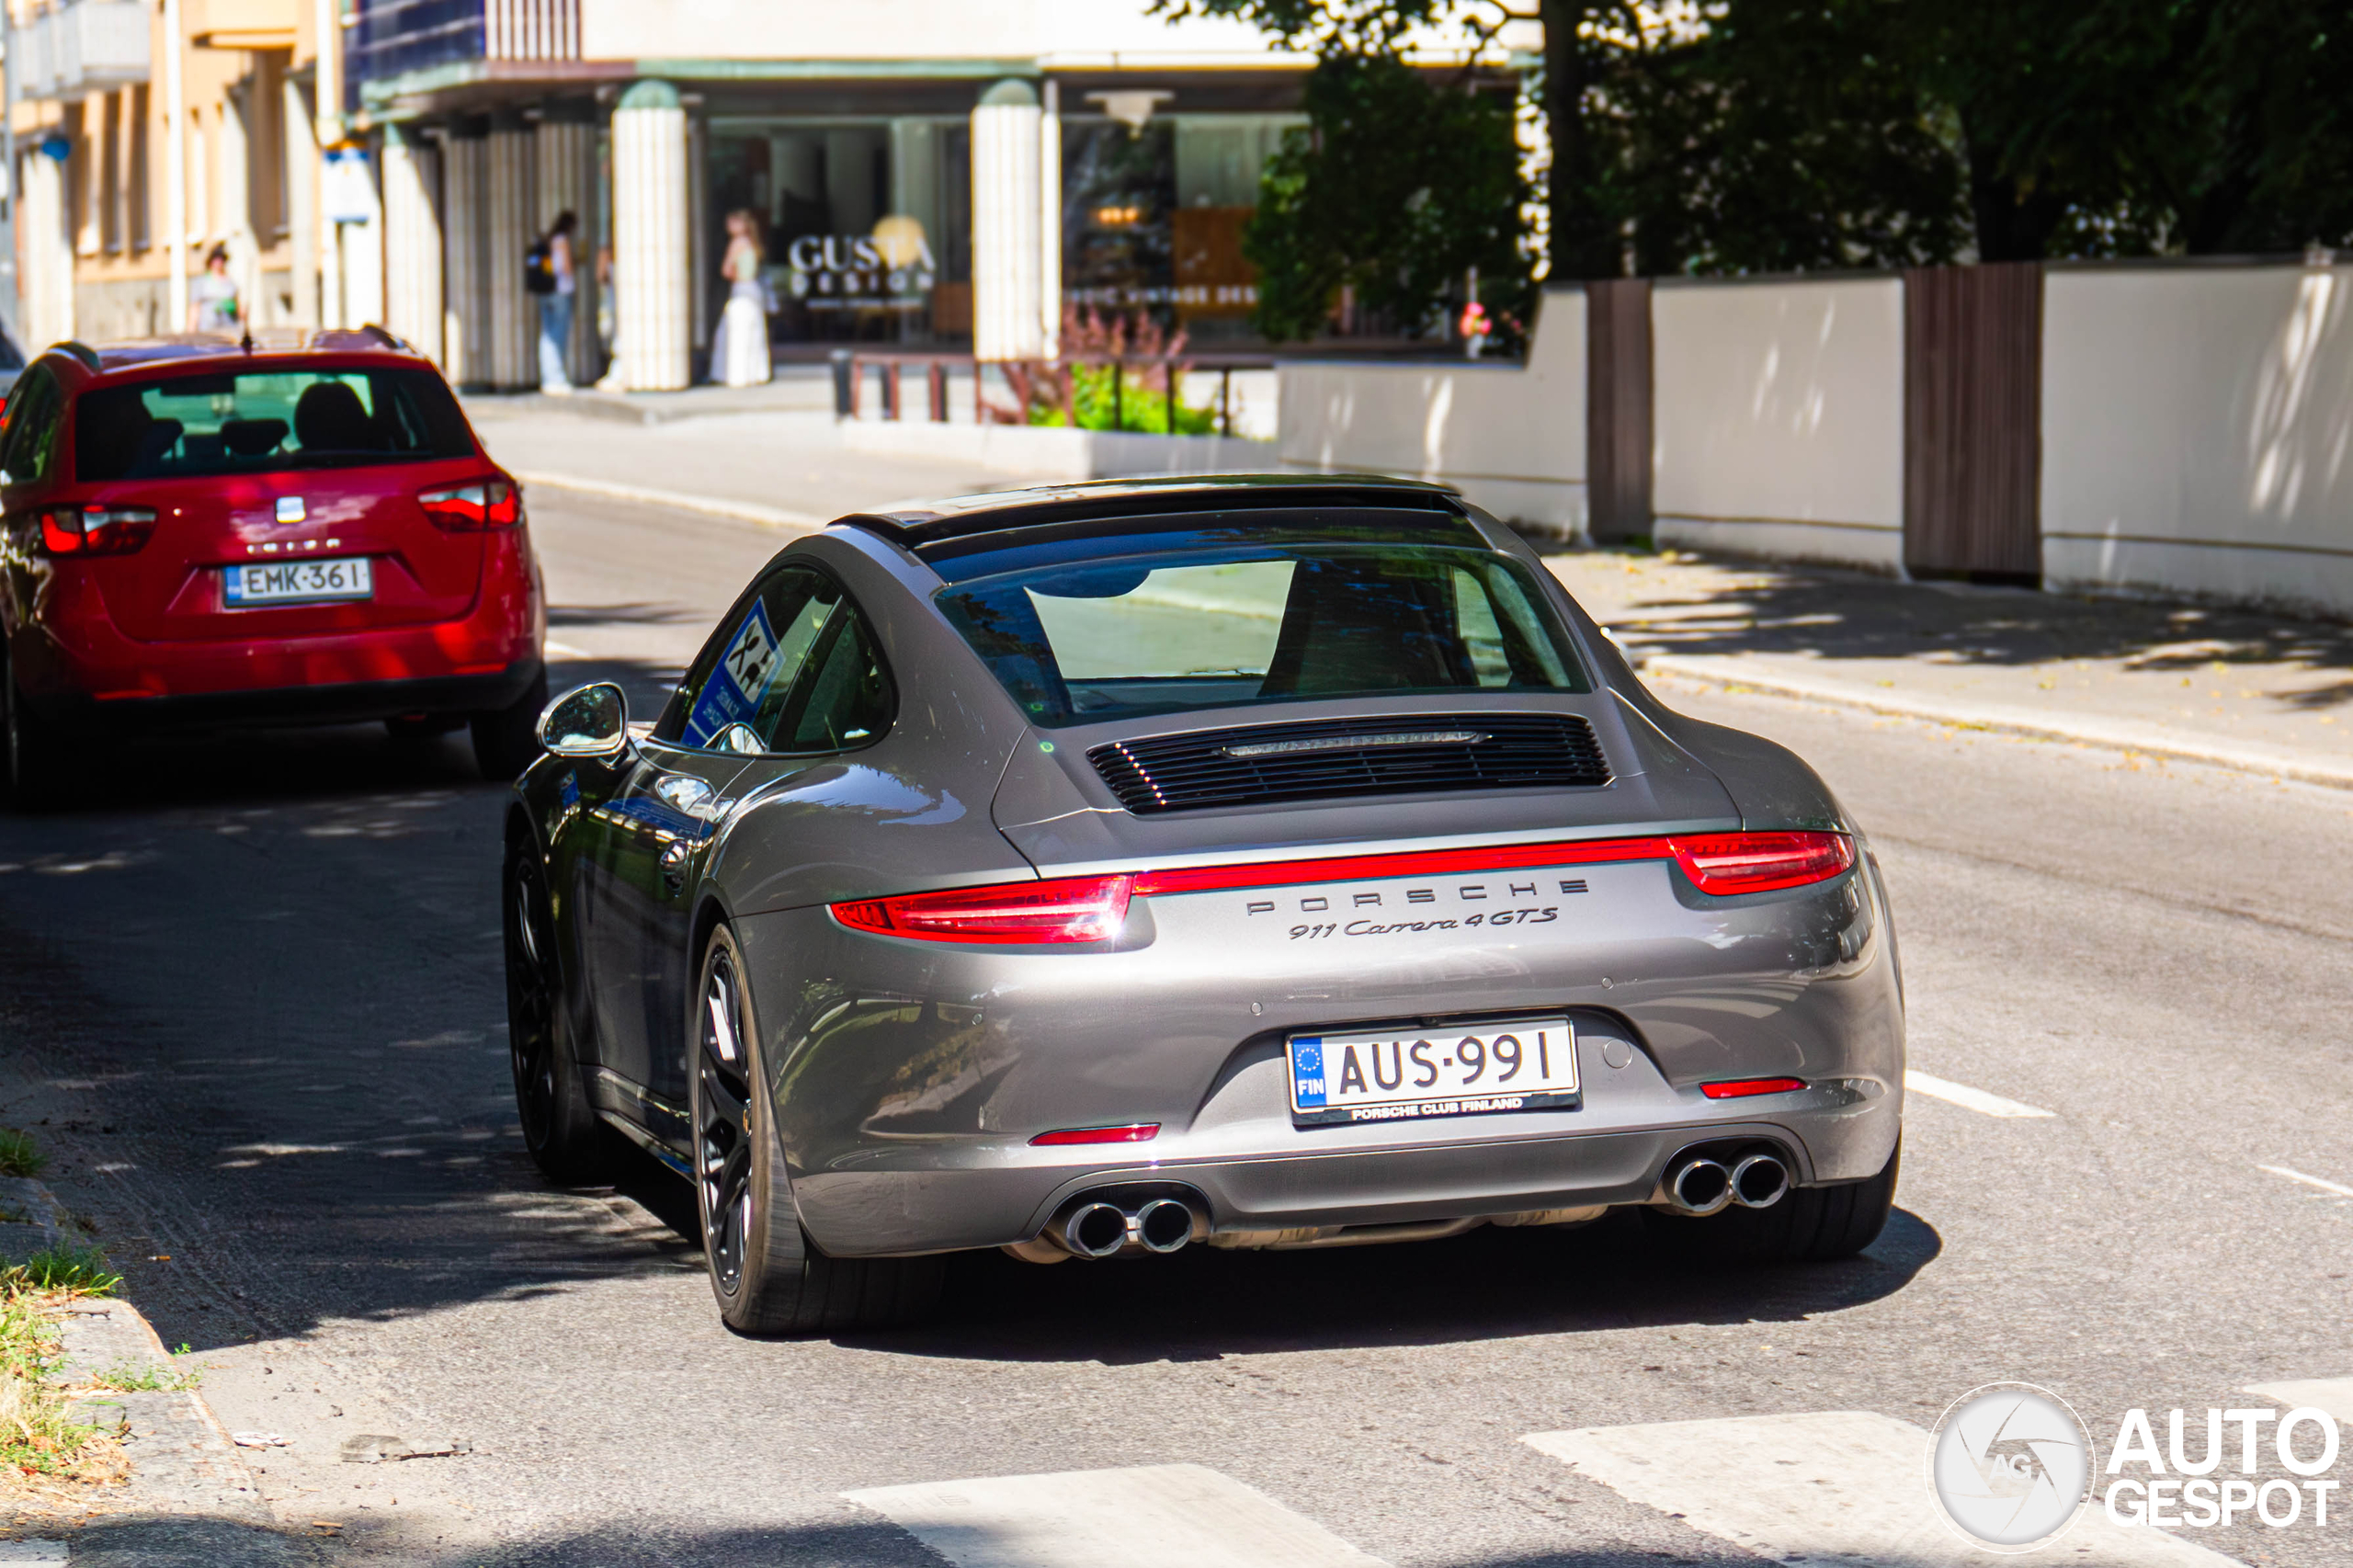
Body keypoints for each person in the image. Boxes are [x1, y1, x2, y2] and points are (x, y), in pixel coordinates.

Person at [710, 209, 771, 387]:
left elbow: (726, 270)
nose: (729, 226)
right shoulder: (753, 242)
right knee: (753, 331)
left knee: (735, 332)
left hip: (740, 289)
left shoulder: (737, 243)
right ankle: (756, 373)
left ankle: (737, 375)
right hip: (753, 289)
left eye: (732, 223)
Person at [537, 211, 578, 395]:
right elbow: (566, 267)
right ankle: (557, 378)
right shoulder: (562, 240)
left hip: (545, 291)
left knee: (547, 335)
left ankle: (548, 378)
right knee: (559, 335)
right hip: (561, 292)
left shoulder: (549, 239)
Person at [189, 245, 240, 335]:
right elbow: (195, 307)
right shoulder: (202, 281)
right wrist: (191, 329)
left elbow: (237, 305)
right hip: (207, 328)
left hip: (228, 328)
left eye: (221, 259)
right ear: (210, 261)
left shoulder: (230, 282)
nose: (219, 262)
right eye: (216, 259)